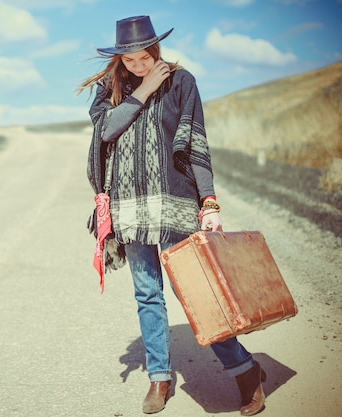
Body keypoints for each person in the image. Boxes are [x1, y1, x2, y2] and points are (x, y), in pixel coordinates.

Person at [77, 15, 266, 416]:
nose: (137, 65)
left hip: (175, 204)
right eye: (128, 61)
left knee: (194, 291)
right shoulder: (107, 90)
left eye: (143, 58)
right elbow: (106, 131)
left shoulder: (183, 83)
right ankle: (160, 378)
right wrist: (143, 89)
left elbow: (196, 143)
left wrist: (209, 202)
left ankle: (244, 369)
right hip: (128, 210)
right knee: (148, 294)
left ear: (155, 49)